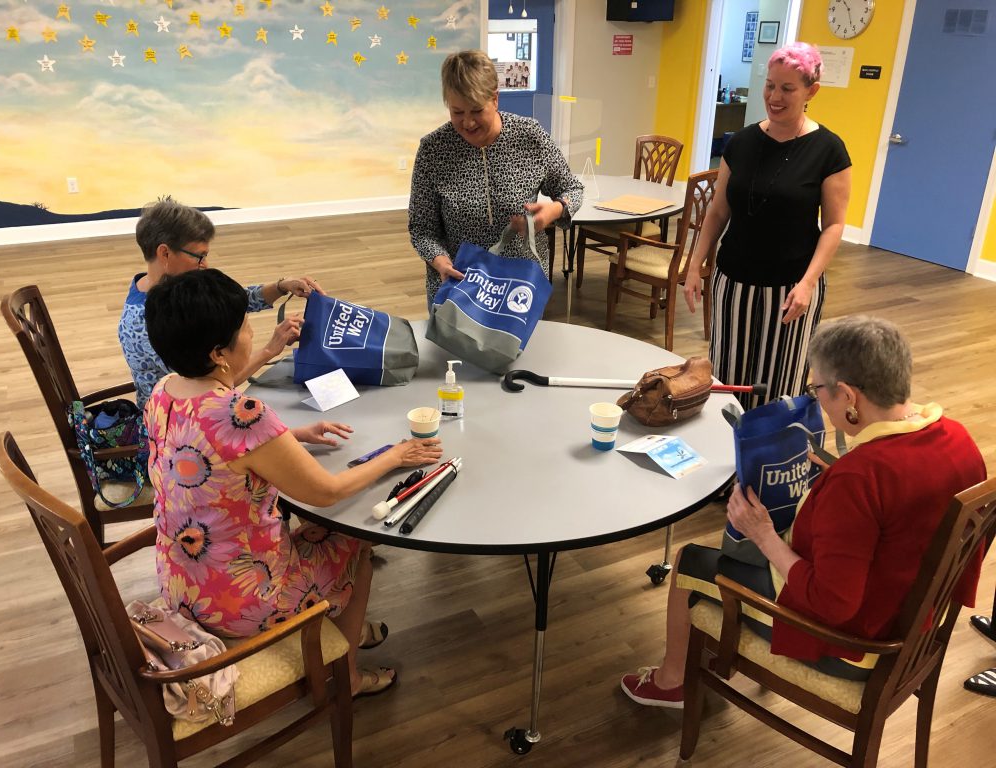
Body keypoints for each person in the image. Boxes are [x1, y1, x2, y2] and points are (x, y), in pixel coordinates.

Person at [620, 316, 987, 707]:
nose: (818, 401)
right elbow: (906, 507)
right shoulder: (958, 439)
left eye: (818, 390)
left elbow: (830, 602)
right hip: (914, 619)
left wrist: (761, 533)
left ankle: (671, 680)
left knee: (690, 560)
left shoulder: (860, 477)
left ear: (847, 396)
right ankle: (711, 648)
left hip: (857, 644)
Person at [143, 268, 444, 697]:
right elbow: (326, 492)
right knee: (355, 542)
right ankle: (349, 676)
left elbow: (212, 452)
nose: (250, 331)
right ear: (218, 353)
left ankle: (348, 632)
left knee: (322, 532)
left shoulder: (164, 391)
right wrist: (398, 455)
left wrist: (289, 438)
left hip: (182, 583)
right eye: (245, 326)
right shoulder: (243, 415)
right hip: (243, 600)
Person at [683, 43, 852, 410]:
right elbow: (717, 211)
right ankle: (729, 455)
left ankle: (770, 458)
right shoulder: (741, 143)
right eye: (770, 85)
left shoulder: (828, 150)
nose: (774, 97)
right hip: (733, 282)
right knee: (728, 378)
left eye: (787, 88)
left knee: (779, 382)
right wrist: (694, 264)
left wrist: (808, 283)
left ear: (812, 91)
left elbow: (834, 225)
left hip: (791, 289)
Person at [409, 49, 583, 304]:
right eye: (457, 112)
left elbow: (572, 189)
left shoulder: (529, 136)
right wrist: (440, 262)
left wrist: (554, 211)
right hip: (459, 288)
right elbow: (422, 229)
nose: (468, 123)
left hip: (519, 290)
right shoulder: (434, 149)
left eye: (476, 110)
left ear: (495, 99)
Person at [119, 198, 324, 407]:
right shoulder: (142, 324)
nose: (205, 264)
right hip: (174, 423)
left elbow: (226, 304)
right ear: (165, 253)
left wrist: (281, 286)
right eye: (199, 256)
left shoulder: (163, 288)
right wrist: (270, 350)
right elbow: (209, 386)